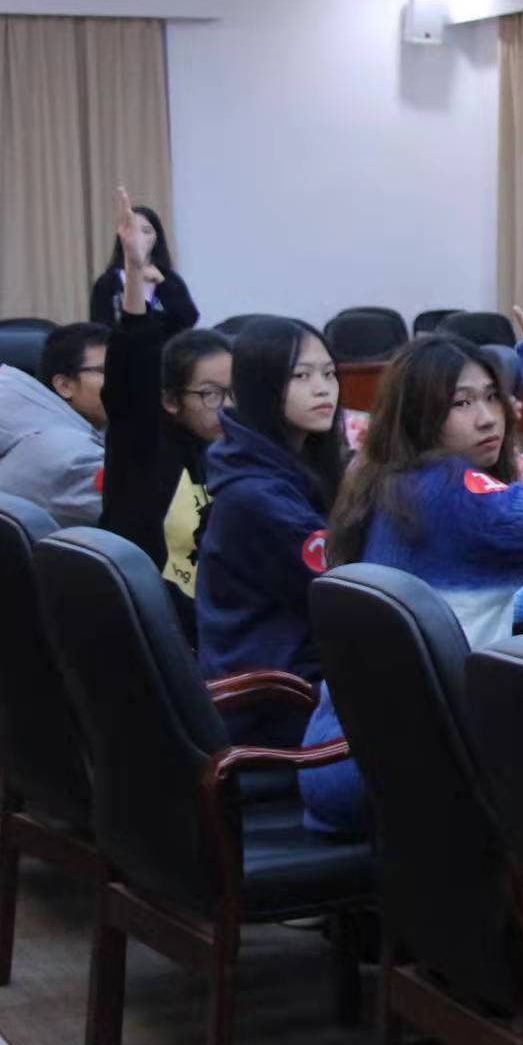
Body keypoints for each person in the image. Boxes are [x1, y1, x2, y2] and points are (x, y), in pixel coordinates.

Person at [298, 295, 523, 834]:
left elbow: (444, 610)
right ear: (421, 415)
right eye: (461, 403)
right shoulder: (448, 492)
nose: (487, 417)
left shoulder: (385, 481)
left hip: (335, 755)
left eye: (492, 397)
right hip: (396, 769)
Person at [195, 316, 345, 745]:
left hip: (291, 674)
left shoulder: (271, 466)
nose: (323, 389)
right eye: (301, 376)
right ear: (261, 385)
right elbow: (345, 592)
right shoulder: (258, 497)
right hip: (276, 701)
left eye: (329, 373)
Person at [97, 189, 231, 641]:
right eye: (211, 394)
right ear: (171, 401)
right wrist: (135, 271)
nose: (227, 408)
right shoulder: (145, 444)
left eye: (234, 393)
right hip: (156, 633)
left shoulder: (233, 452)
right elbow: (132, 362)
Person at [0, 321, 110, 525]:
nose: (123, 382)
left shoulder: (30, 431)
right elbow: (142, 517)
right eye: (107, 371)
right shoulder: (74, 459)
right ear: (64, 385)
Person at [88, 198, 200, 334]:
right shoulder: (107, 283)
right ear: (122, 237)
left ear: (156, 238)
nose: (138, 238)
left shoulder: (170, 280)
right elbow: (99, 329)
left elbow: (189, 320)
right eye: (133, 231)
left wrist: (163, 284)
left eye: (146, 231)